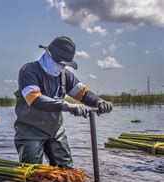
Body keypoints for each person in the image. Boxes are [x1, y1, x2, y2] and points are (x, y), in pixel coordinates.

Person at [14, 36, 112, 168]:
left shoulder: (65, 76)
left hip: (55, 131)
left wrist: (99, 102)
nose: (62, 67)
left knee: (67, 171)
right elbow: (35, 99)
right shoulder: (29, 71)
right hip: (30, 131)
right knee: (33, 173)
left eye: (65, 64)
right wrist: (66, 106)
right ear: (49, 55)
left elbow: (83, 94)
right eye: (60, 63)